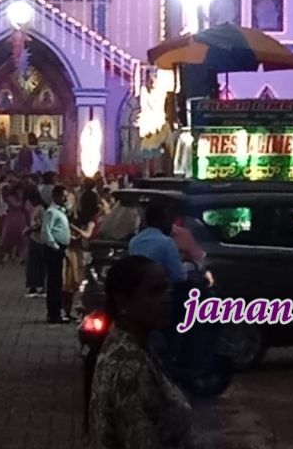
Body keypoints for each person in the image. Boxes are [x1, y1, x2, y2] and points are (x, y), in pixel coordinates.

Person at [88, 256, 194, 449]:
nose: (167, 299)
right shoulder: (129, 369)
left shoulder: (133, 344)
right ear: (123, 302)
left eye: (166, 290)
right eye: (155, 292)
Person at [62, 189, 99, 320]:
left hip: (79, 251)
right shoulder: (95, 218)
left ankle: (73, 309)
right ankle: (79, 309)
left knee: (76, 283)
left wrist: (73, 228)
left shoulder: (81, 218)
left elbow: (85, 235)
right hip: (86, 252)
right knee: (81, 282)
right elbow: (88, 235)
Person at [128, 205, 185, 286]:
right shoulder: (166, 242)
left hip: (139, 286)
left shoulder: (134, 241)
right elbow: (178, 276)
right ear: (162, 221)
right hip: (160, 287)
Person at [41, 185, 71, 323]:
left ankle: (56, 312)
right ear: (56, 196)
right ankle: (54, 314)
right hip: (54, 250)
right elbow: (46, 231)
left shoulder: (61, 211)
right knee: (54, 282)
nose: (65, 198)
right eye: (64, 196)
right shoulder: (51, 212)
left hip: (60, 248)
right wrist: (55, 246)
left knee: (58, 282)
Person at [0, 184, 28, 265]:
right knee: (8, 238)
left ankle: (23, 257)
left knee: (23, 239)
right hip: (12, 219)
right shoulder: (10, 198)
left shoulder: (23, 198)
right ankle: (3, 256)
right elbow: (17, 205)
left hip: (21, 218)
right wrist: (22, 199)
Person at [24, 189, 46, 297]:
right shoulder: (37, 209)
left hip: (39, 239)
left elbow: (40, 224)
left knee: (37, 264)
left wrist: (30, 229)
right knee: (33, 264)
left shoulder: (40, 209)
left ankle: (38, 285)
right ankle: (33, 285)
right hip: (35, 238)